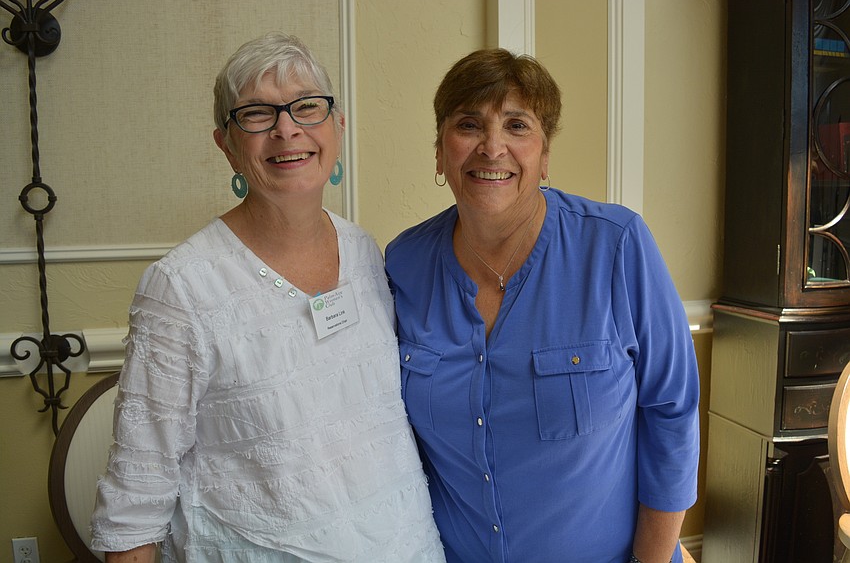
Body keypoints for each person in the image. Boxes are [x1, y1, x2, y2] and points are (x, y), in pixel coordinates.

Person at [90, 33, 445, 563]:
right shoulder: (183, 287)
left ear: (337, 127)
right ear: (226, 144)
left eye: (307, 107)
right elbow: (135, 499)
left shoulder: (365, 252)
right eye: (256, 114)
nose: (287, 129)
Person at [385, 48, 700, 563]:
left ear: (545, 154)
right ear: (440, 152)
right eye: (469, 125)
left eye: (516, 125)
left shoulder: (617, 246)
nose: (492, 147)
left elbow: (672, 410)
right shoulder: (403, 265)